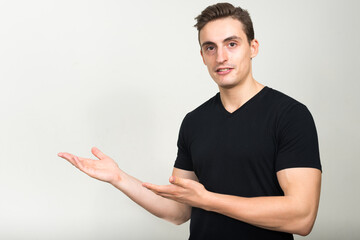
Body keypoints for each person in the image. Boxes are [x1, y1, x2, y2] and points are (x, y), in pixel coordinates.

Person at [58, 3, 322, 240]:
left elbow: (302, 217)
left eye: (232, 44)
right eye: (210, 47)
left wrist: (209, 201)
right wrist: (119, 178)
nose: (221, 57)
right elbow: (178, 211)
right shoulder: (194, 122)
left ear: (253, 48)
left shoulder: (290, 115)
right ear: (202, 56)